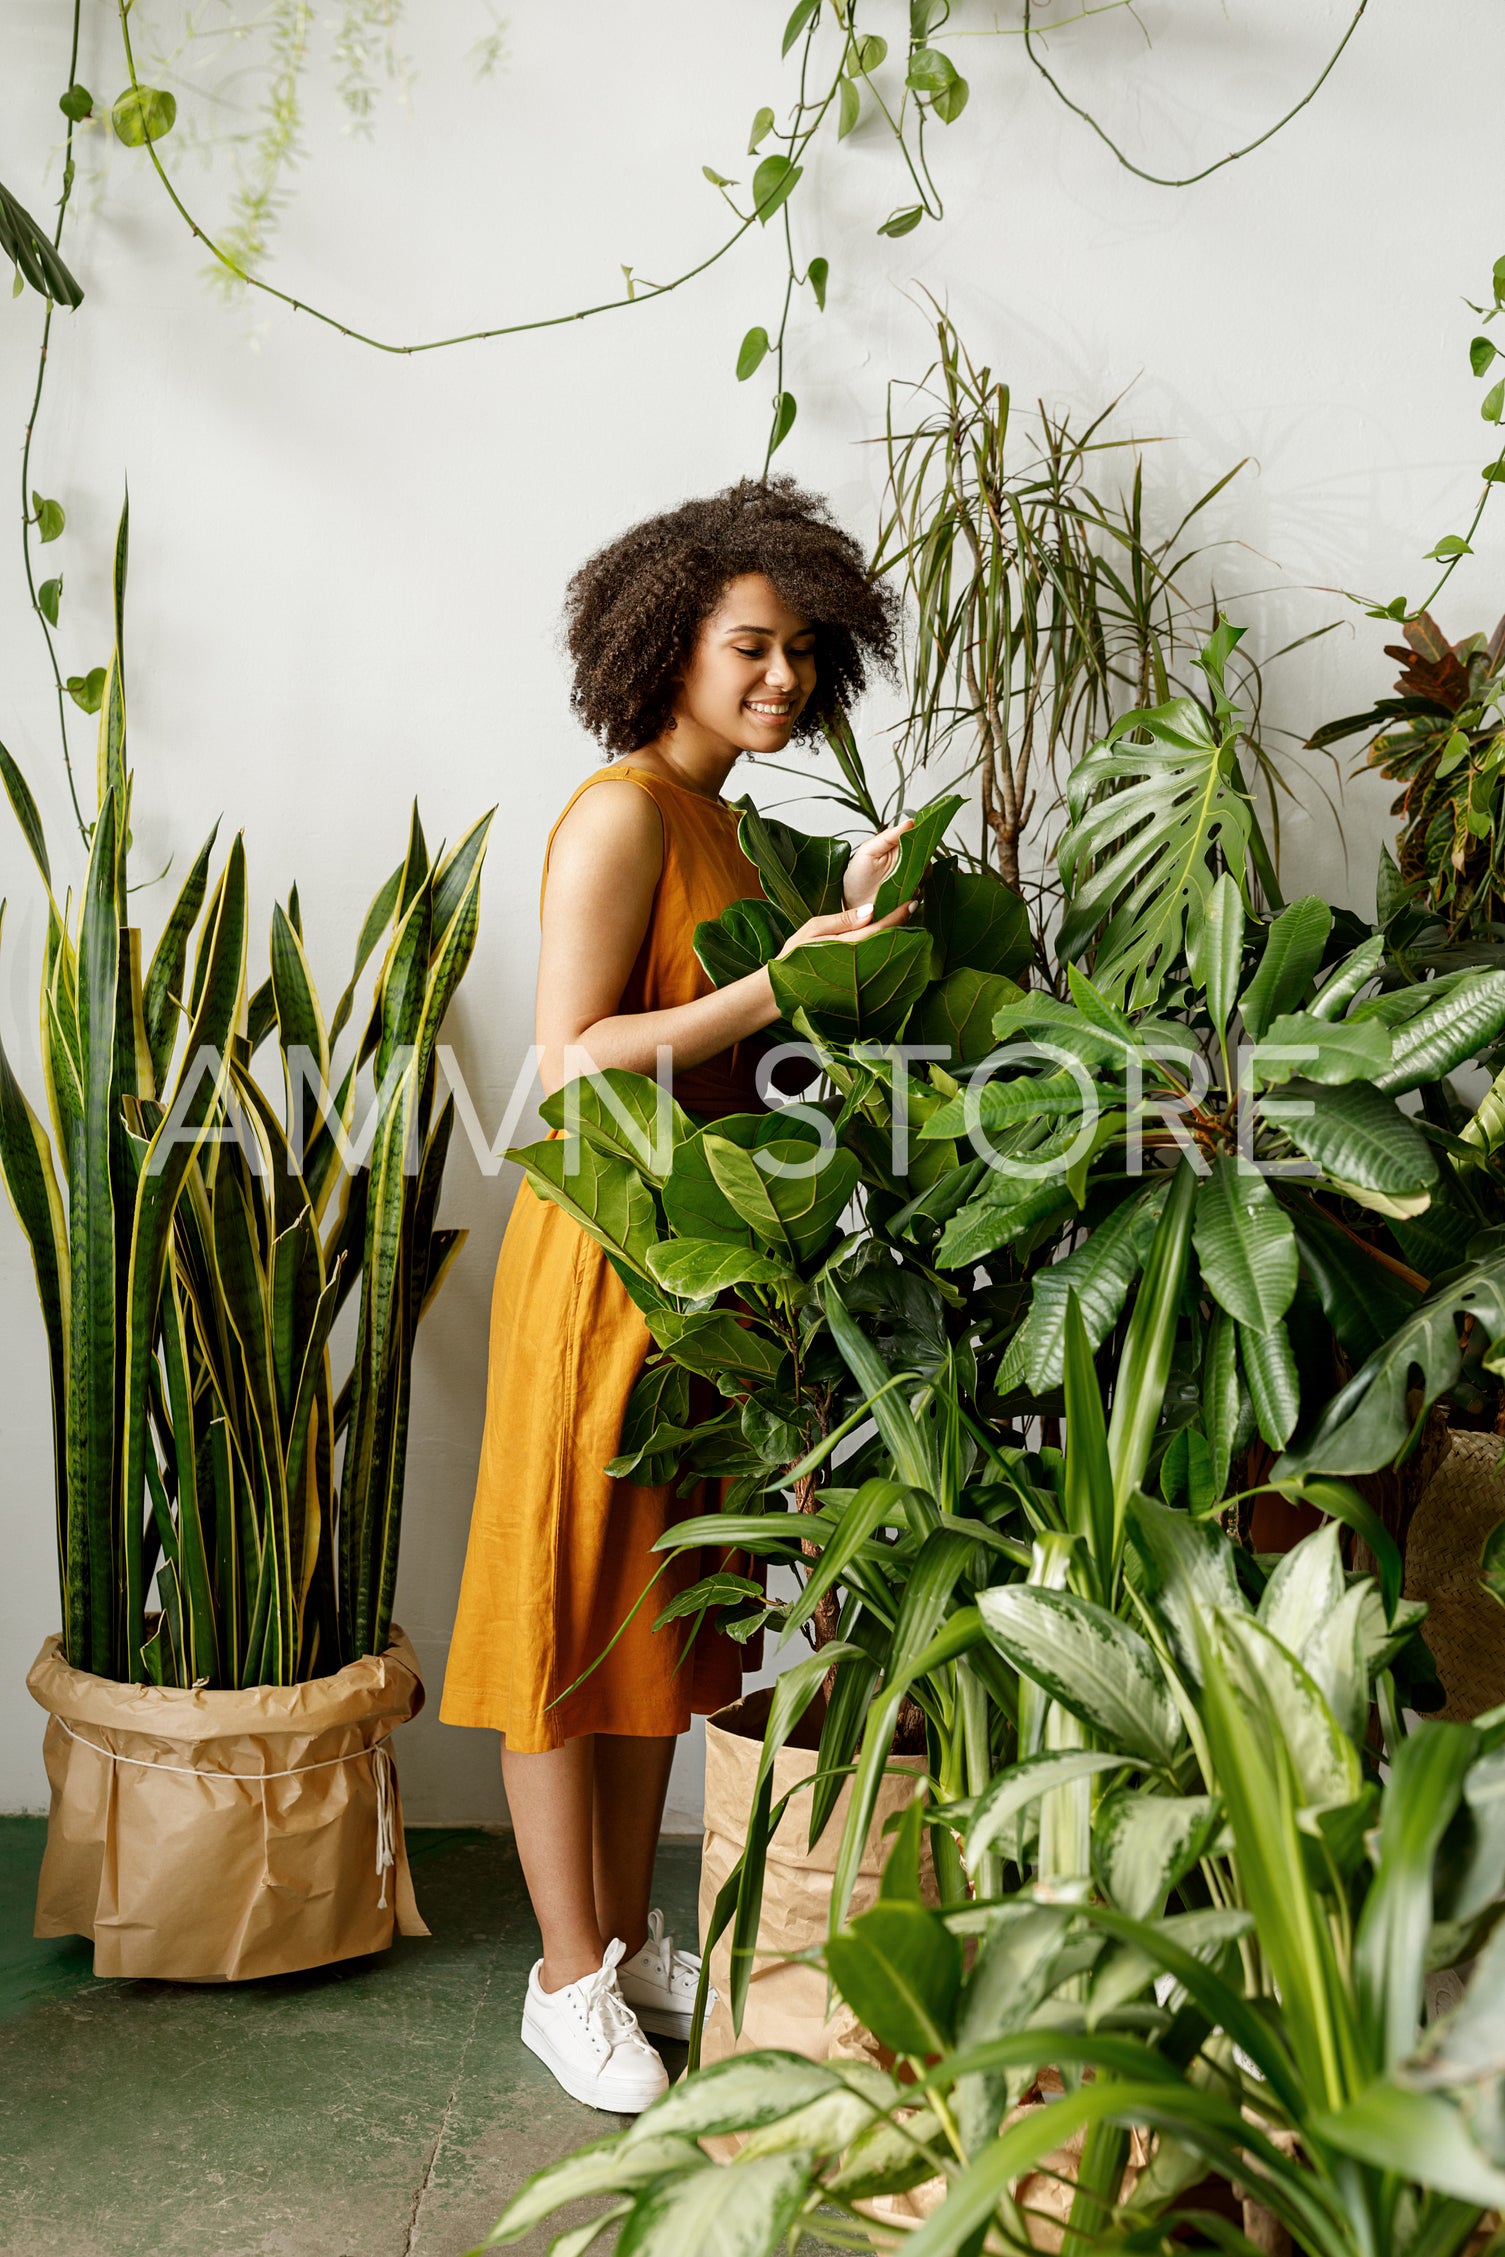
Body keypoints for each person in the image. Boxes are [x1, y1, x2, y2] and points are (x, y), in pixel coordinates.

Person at [441, 478, 910, 2111]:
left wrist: (842, 936)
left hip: (696, 1266)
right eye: (751, 648)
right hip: (599, 1260)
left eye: (803, 652)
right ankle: (562, 1975)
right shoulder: (623, 807)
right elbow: (568, 1067)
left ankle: (629, 1937)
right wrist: (790, 977)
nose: (782, 679)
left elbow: (734, 1052)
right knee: (564, 1615)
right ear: (669, 643)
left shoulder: (724, 822)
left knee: (662, 1622)